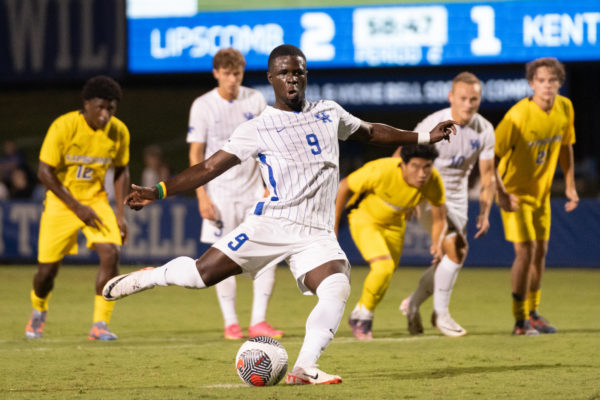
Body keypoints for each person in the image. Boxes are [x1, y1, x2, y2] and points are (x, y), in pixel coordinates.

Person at [103, 44, 456, 384]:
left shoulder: (328, 112)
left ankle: (304, 367)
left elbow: (372, 131)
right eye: (284, 73)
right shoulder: (257, 128)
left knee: (336, 286)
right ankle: (151, 276)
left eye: (298, 72)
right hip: (271, 223)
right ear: (271, 78)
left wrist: (424, 135)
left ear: (306, 76)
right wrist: (158, 191)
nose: (292, 79)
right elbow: (209, 167)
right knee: (200, 275)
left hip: (315, 233)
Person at [25, 75, 130, 340]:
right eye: (100, 108)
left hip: (95, 200)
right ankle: (38, 311)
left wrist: (120, 213)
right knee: (46, 272)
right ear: (86, 104)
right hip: (62, 203)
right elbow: (44, 173)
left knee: (111, 254)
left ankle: (100, 325)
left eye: (111, 108)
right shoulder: (64, 126)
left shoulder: (118, 131)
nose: (105, 114)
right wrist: (76, 207)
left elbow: (121, 170)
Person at [187, 48, 282, 340]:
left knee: (267, 253)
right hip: (220, 194)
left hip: (255, 191)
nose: (232, 80)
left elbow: (270, 144)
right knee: (222, 257)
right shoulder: (203, 105)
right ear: (216, 73)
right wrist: (202, 197)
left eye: (237, 74)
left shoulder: (254, 99)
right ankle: (231, 323)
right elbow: (196, 154)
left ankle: (258, 322)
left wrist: (270, 184)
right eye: (227, 74)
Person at [397, 72, 496, 337]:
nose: (468, 104)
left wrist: (485, 212)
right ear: (451, 97)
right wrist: (402, 198)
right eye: (463, 98)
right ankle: (441, 315)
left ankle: (413, 303)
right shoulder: (434, 122)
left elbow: (488, 177)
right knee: (456, 248)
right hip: (429, 197)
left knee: (450, 258)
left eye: (474, 99)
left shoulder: (484, 129)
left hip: (458, 200)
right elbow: (401, 155)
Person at [495, 57, 578, 336]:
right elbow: (490, 158)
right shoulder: (516, 117)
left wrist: (569, 184)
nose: (547, 86)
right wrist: (500, 193)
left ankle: (533, 313)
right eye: (541, 81)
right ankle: (520, 321)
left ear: (559, 83)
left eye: (552, 80)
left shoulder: (565, 108)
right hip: (514, 194)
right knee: (526, 251)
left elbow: (566, 146)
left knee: (540, 252)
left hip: (540, 196)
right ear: (531, 84)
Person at [335, 145, 447, 340]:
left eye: (427, 166)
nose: (422, 173)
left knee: (386, 273)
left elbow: (439, 218)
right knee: (383, 267)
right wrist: (333, 225)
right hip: (365, 218)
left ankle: (359, 313)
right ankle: (363, 317)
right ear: (402, 165)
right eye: (415, 166)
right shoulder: (381, 170)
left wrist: (437, 243)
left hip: (396, 224)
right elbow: (344, 185)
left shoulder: (433, 180)